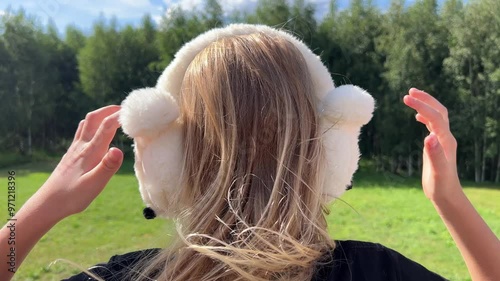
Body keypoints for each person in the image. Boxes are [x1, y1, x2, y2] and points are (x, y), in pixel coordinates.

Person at [1, 24, 499, 281]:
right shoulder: (375, 271)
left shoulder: (123, 277)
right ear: (329, 153)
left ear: (169, 158)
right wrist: (449, 198)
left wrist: (39, 209)